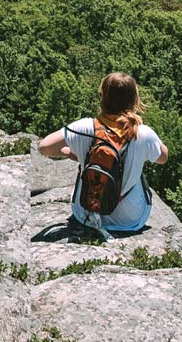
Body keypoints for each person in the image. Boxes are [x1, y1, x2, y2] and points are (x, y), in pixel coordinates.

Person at [38, 72, 168, 237]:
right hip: (130, 220)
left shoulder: (85, 127)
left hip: (85, 213)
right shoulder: (143, 133)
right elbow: (163, 158)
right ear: (135, 100)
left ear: (103, 97)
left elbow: (45, 147)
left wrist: (72, 154)